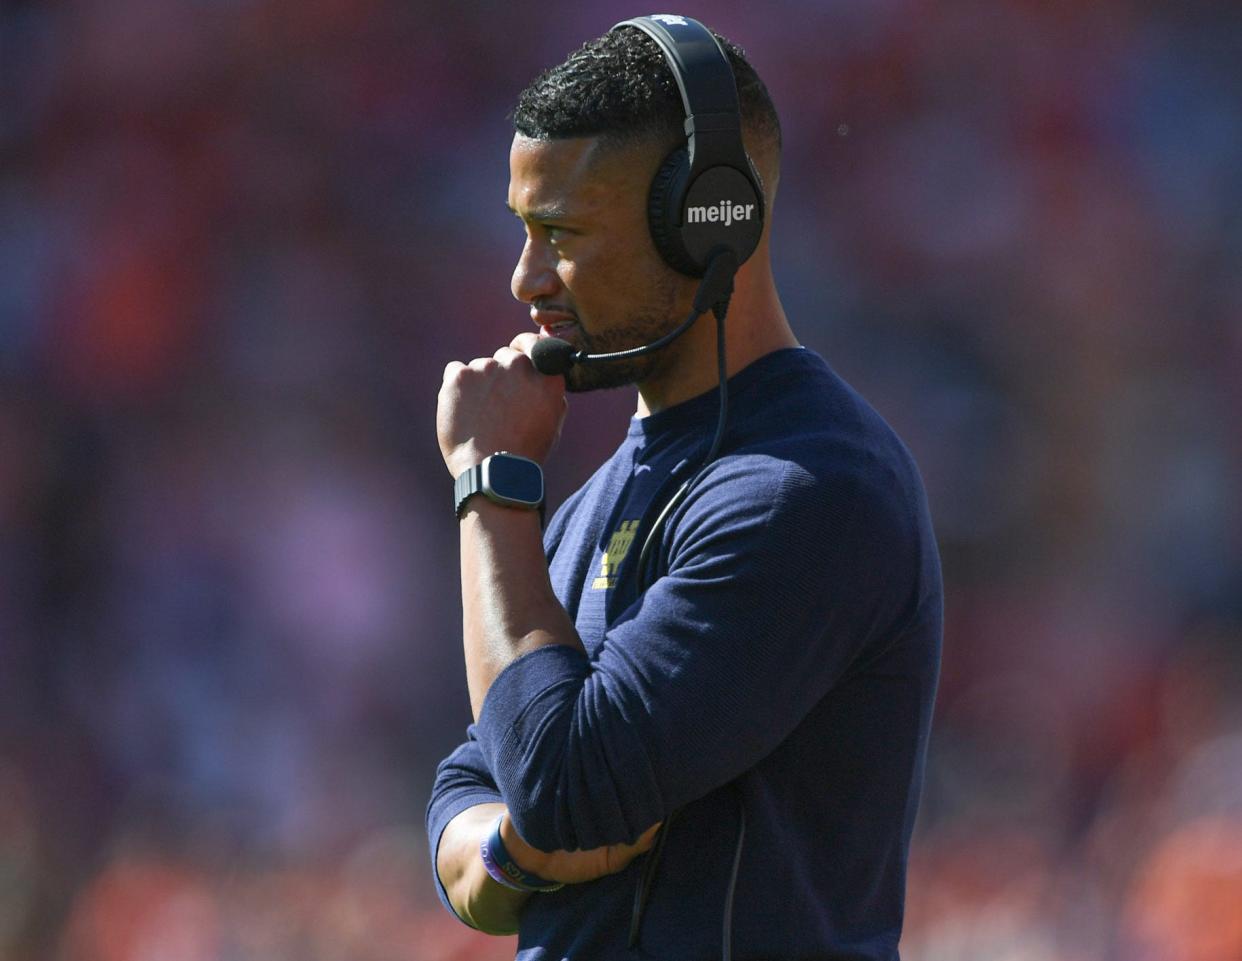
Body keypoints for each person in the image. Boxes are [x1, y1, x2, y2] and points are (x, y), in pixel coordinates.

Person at [427, 15, 942, 961]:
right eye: (524, 230)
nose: (525, 278)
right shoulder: (597, 499)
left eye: (563, 233)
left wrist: (490, 484)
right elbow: (467, 782)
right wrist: (506, 855)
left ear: (709, 219)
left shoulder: (812, 490)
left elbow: (557, 783)